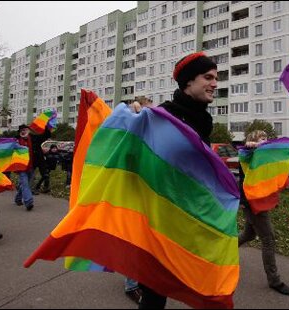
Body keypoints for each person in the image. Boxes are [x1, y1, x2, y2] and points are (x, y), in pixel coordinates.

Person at [136, 51, 218, 309]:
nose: (215, 83)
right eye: (208, 77)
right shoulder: (161, 117)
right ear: (187, 82)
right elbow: (132, 153)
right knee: (154, 294)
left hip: (190, 216)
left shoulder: (204, 121)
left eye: (216, 78)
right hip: (158, 219)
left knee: (199, 284)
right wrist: (131, 116)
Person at [237, 130, 289, 296]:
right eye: (262, 138)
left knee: (248, 235)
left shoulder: (265, 156)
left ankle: (225, 250)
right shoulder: (248, 155)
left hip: (258, 202)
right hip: (253, 204)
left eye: (266, 138)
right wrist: (250, 146)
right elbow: (244, 151)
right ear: (254, 140)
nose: (265, 141)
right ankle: (274, 280)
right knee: (268, 239)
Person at [122, 96, 154, 305]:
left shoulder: (148, 136)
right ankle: (131, 285)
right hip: (132, 196)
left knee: (145, 241)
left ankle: (140, 278)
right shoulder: (131, 137)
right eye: (148, 112)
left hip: (146, 196)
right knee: (136, 241)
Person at [14, 124, 50, 210]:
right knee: (25, 184)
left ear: (29, 131)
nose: (23, 131)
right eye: (22, 130)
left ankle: (18, 198)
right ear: (19, 132)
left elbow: (46, 135)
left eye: (25, 129)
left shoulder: (34, 139)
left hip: (31, 166)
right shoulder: (15, 140)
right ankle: (29, 202)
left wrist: (45, 125)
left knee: (26, 184)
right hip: (21, 167)